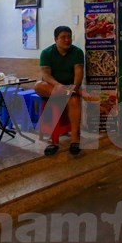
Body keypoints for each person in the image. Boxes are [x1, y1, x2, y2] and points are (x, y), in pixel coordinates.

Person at [35, 26, 85, 156]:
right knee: (38, 86)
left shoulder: (77, 52)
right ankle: (53, 140)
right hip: (53, 87)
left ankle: (74, 140)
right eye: (63, 37)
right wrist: (60, 87)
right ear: (55, 39)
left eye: (69, 37)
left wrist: (74, 87)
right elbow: (46, 75)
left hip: (70, 88)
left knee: (72, 100)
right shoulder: (46, 53)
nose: (67, 40)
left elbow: (79, 74)